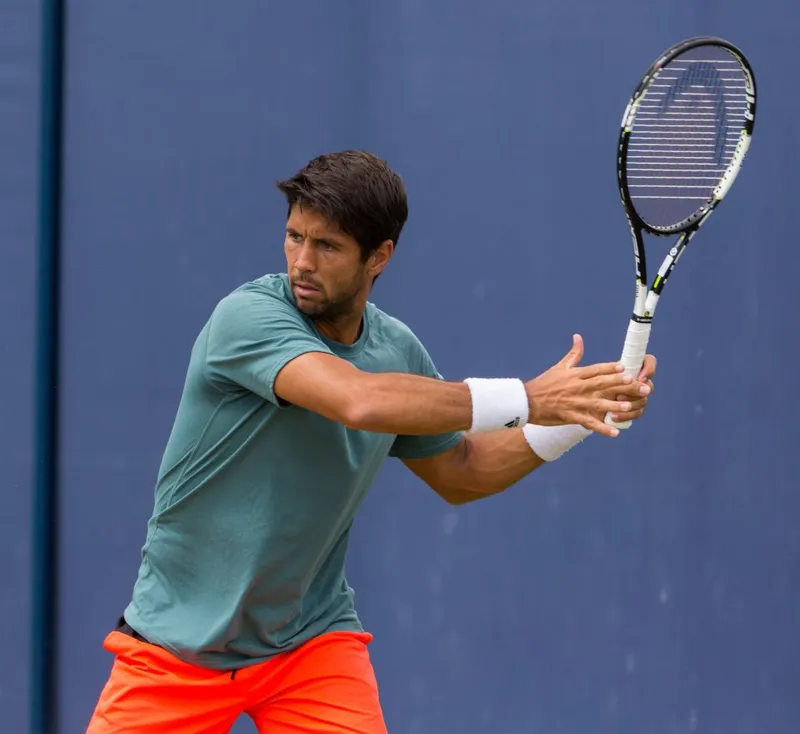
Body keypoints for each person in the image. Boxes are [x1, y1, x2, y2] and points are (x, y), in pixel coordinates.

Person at [86, 150, 656, 734]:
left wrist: (574, 417)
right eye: (293, 237)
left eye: (327, 246)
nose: (302, 262)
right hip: (177, 647)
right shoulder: (247, 318)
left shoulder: (396, 351)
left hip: (308, 644)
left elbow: (461, 470)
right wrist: (531, 398)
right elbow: (359, 402)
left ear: (379, 256)